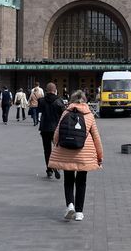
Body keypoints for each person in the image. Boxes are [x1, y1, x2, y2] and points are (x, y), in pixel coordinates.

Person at [48, 90, 103, 222]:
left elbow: (56, 135)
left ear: (72, 100)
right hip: (84, 153)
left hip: (66, 151)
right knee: (81, 181)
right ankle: (79, 212)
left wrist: (57, 145)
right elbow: (96, 137)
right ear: (85, 101)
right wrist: (100, 157)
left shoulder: (66, 112)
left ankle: (70, 205)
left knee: (68, 180)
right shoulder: (89, 115)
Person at [37, 82, 64, 179]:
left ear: (46, 90)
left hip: (44, 128)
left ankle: (49, 169)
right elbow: (63, 114)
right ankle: (56, 165)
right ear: (55, 90)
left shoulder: (42, 101)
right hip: (56, 128)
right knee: (57, 149)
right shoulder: (59, 101)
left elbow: (39, 111)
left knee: (47, 149)